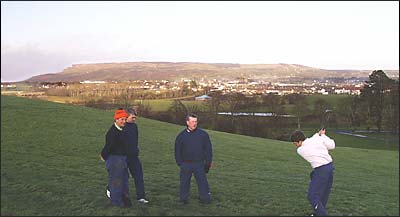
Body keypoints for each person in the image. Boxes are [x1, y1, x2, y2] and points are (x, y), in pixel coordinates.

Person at [290, 129, 335, 216]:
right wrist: (323, 135)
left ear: (299, 141)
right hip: (330, 167)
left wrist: (319, 135)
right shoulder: (317, 139)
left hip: (321, 170)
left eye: (295, 143)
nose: (295, 146)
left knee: (312, 196)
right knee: (323, 194)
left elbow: (312, 140)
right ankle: (318, 214)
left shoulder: (301, 150)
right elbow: (332, 145)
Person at [174, 113, 213, 204]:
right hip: (186, 164)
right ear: (187, 122)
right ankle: (183, 200)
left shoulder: (203, 135)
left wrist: (208, 162)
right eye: (192, 122)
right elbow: (177, 151)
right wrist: (180, 163)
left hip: (199, 163)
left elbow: (208, 150)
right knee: (184, 183)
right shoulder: (181, 136)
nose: (194, 124)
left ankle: (205, 198)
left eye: (195, 121)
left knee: (202, 182)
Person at [100, 109, 131, 208]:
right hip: (115, 159)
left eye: (125, 119)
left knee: (123, 179)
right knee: (116, 181)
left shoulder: (121, 130)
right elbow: (108, 146)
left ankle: (123, 199)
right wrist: (103, 156)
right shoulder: (112, 132)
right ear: (116, 119)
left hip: (122, 159)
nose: (124, 121)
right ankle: (117, 202)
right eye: (122, 119)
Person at [122, 108, 149, 204]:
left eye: (135, 118)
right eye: (132, 117)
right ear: (126, 116)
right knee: (123, 177)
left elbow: (135, 140)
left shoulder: (135, 127)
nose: (134, 119)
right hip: (123, 157)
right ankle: (120, 195)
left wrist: (135, 150)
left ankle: (141, 197)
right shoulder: (122, 127)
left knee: (139, 176)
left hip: (134, 157)